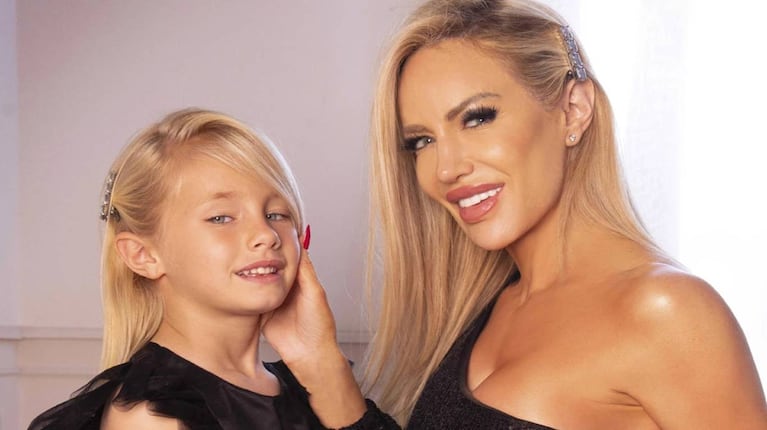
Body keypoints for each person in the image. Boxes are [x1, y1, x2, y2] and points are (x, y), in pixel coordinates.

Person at [264, 0, 767, 429]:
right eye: (421, 141)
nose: (446, 168)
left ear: (573, 109)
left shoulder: (667, 313)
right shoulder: (483, 308)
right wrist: (319, 360)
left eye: (477, 118)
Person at [28, 108, 328, 429]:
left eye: (277, 214)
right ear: (143, 255)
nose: (266, 235)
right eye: (221, 217)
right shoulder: (153, 416)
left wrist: (320, 356)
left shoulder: (311, 385)